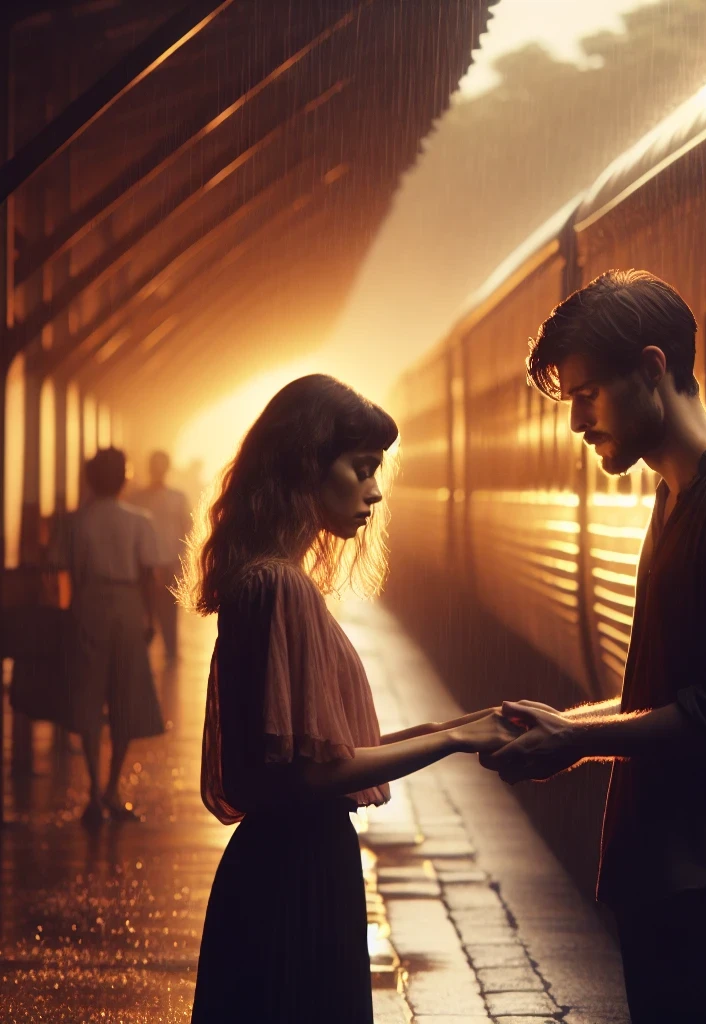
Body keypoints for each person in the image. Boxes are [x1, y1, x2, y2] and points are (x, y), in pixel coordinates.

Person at [484, 270, 706, 1023]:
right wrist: (566, 726)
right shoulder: (679, 495)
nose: (577, 423)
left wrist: (576, 739)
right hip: (673, 881)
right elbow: (670, 696)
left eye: (587, 395)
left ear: (653, 368)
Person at [185, 373, 519, 1024]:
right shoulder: (284, 590)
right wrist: (454, 740)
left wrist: (462, 722)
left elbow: (324, 751)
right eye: (361, 468)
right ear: (307, 464)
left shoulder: (260, 580)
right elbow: (317, 773)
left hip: (276, 872)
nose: (375, 489)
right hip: (299, 881)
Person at [61, 447, 169, 823]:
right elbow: (149, 577)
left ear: (90, 478)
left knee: (89, 695)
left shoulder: (78, 522)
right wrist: (149, 619)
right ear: (125, 479)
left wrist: (77, 609)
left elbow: (70, 572)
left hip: (89, 602)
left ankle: (92, 792)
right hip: (127, 605)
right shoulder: (139, 520)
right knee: (125, 698)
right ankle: (112, 790)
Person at [127, 449, 193, 661]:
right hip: (144, 568)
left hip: (169, 565)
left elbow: (187, 530)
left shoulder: (178, 498)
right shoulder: (136, 499)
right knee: (144, 616)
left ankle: (171, 655)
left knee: (169, 616)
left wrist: (181, 562)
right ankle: (140, 661)